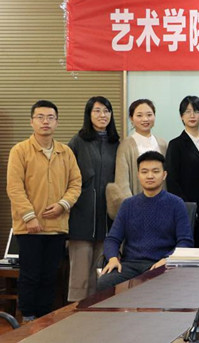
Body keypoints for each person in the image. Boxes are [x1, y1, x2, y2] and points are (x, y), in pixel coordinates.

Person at [7, 100, 81, 321]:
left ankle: (44, 320)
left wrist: (62, 205)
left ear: (57, 122)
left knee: (50, 276)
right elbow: (14, 187)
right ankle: (28, 319)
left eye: (50, 117)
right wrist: (29, 217)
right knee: (30, 276)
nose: (45, 121)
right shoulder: (20, 150)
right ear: (32, 122)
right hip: (29, 227)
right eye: (40, 117)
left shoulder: (65, 152)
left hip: (56, 226)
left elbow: (76, 184)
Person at [98, 151, 193, 292]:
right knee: (105, 282)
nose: (150, 176)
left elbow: (185, 241)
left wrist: (167, 259)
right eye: (144, 172)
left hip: (161, 264)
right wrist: (112, 258)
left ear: (164, 175)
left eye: (155, 171)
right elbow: (112, 239)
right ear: (138, 175)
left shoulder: (176, 204)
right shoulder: (128, 205)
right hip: (130, 265)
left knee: (156, 286)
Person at [67, 96, 120, 302]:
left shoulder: (117, 143)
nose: (102, 115)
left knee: (104, 273)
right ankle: (77, 311)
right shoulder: (77, 142)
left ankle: (100, 311)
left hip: (108, 218)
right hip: (81, 215)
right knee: (80, 273)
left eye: (106, 111)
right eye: (97, 111)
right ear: (88, 114)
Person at [165, 95, 199, 246]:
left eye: (196, 111)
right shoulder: (175, 145)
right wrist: (185, 206)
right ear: (181, 116)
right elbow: (172, 180)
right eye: (187, 111)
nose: (192, 115)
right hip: (187, 208)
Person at [106, 99, 168, 218]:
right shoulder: (125, 145)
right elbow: (122, 183)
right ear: (131, 118)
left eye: (149, 115)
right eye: (139, 115)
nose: (145, 119)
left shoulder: (162, 144)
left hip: (162, 205)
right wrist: (134, 209)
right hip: (137, 208)